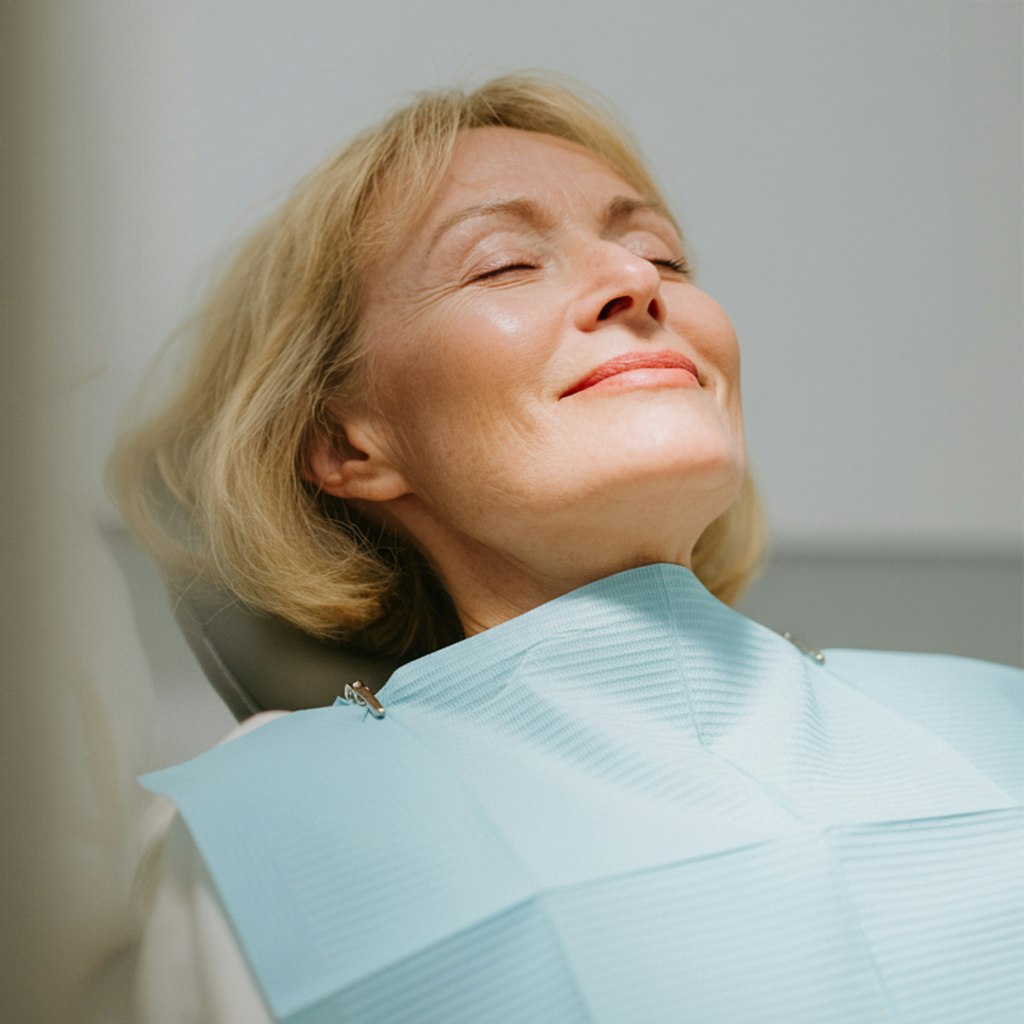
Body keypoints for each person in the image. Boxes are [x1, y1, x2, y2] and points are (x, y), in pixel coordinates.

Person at [112, 74, 1023, 1024]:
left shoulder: (1000, 718)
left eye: (662, 256)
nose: (637, 284)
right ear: (348, 445)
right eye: (503, 264)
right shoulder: (269, 834)